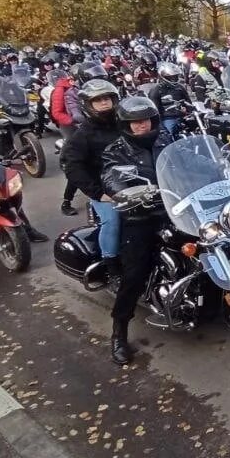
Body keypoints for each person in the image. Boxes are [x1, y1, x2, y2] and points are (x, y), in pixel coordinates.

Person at [100, 96, 173, 365]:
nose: (141, 125)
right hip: (141, 215)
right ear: (125, 125)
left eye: (145, 119)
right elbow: (110, 175)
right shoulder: (117, 150)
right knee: (135, 272)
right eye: (135, 122)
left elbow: (187, 159)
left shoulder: (165, 140)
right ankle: (119, 330)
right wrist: (123, 190)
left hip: (175, 210)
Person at [61, 79, 124, 281]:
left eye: (107, 98)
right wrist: (98, 193)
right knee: (113, 220)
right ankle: (111, 264)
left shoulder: (125, 124)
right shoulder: (83, 135)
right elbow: (72, 166)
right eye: (98, 100)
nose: (104, 103)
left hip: (134, 183)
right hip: (105, 189)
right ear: (88, 105)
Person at [51, 70, 83, 216]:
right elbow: (56, 112)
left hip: (87, 122)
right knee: (77, 159)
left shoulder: (89, 88)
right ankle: (66, 201)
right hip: (69, 122)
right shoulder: (61, 90)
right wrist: (73, 121)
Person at [146, 62, 191, 135]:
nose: (174, 79)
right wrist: (160, 126)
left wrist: (193, 112)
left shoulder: (179, 87)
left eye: (175, 76)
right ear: (163, 77)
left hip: (182, 116)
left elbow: (189, 102)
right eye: (171, 77)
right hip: (167, 118)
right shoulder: (156, 90)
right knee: (170, 131)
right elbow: (155, 111)